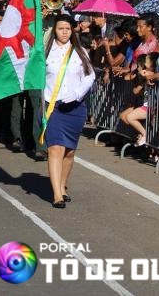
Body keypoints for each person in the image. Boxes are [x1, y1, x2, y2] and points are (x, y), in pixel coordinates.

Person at [42, 14, 95, 208]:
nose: (64, 32)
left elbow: (90, 76)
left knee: (69, 152)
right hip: (53, 106)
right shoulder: (45, 52)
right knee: (55, 148)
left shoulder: (79, 51)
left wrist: (77, 93)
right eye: (60, 28)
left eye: (67, 28)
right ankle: (56, 194)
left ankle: (63, 185)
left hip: (75, 107)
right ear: (54, 30)